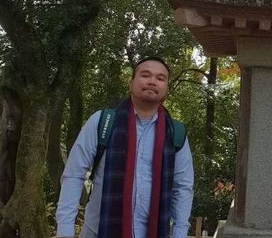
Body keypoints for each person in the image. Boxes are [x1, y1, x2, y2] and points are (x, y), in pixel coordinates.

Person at [56, 57, 194, 238]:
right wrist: (65, 229)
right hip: (99, 231)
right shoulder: (103, 122)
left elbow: (183, 187)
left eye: (161, 78)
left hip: (153, 232)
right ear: (131, 83)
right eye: (146, 75)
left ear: (166, 88)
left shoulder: (176, 133)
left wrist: (179, 233)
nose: (152, 81)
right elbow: (74, 174)